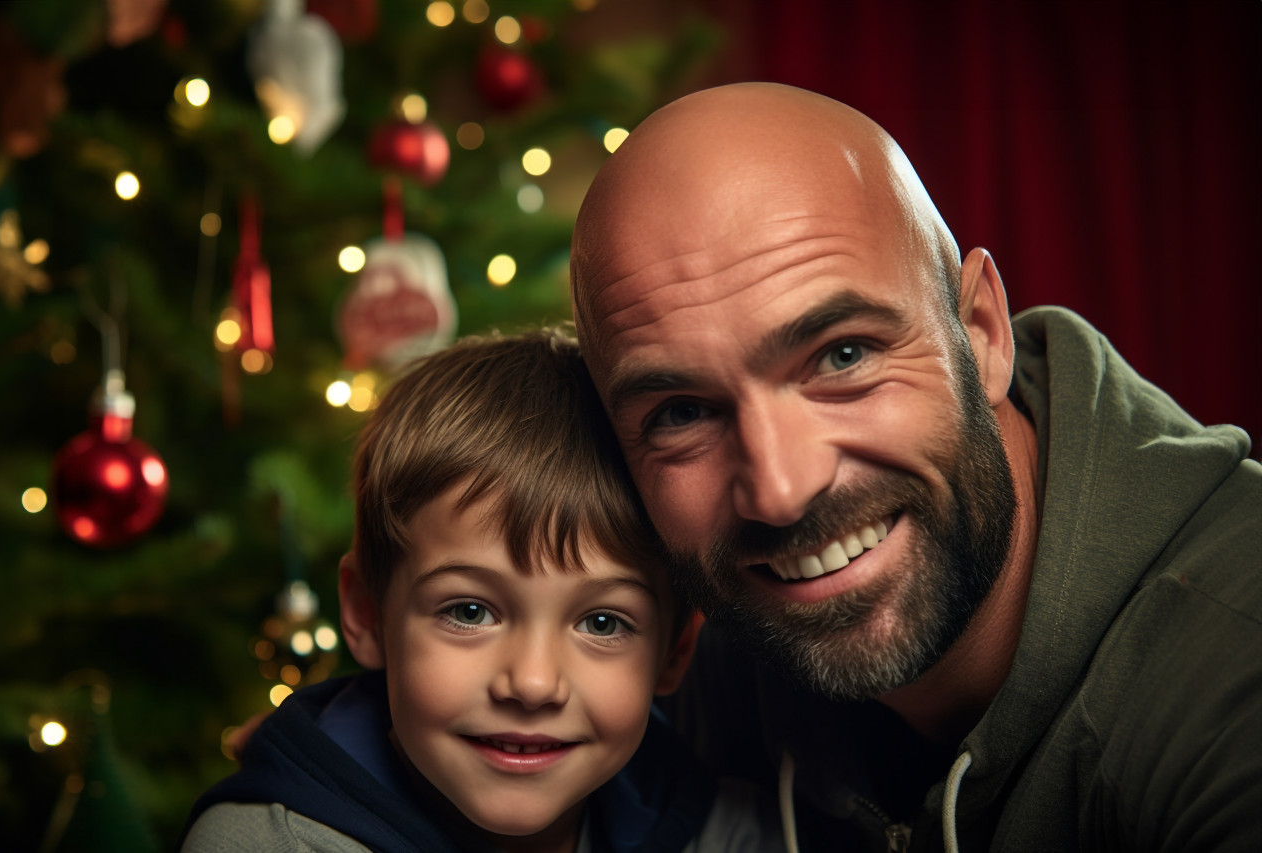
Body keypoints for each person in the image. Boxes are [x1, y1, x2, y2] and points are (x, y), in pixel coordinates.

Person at [570, 82, 1262, 852]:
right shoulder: (707, 650)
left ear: (982, 334)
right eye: (680, 412)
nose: (779, 490)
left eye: (843, 355)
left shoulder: (1233, 676)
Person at [180, 329, 785, 853]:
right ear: (366, 611)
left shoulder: (724, 831)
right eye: (469, 611)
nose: (531, 683)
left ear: (676, 651)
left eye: (603, 623)